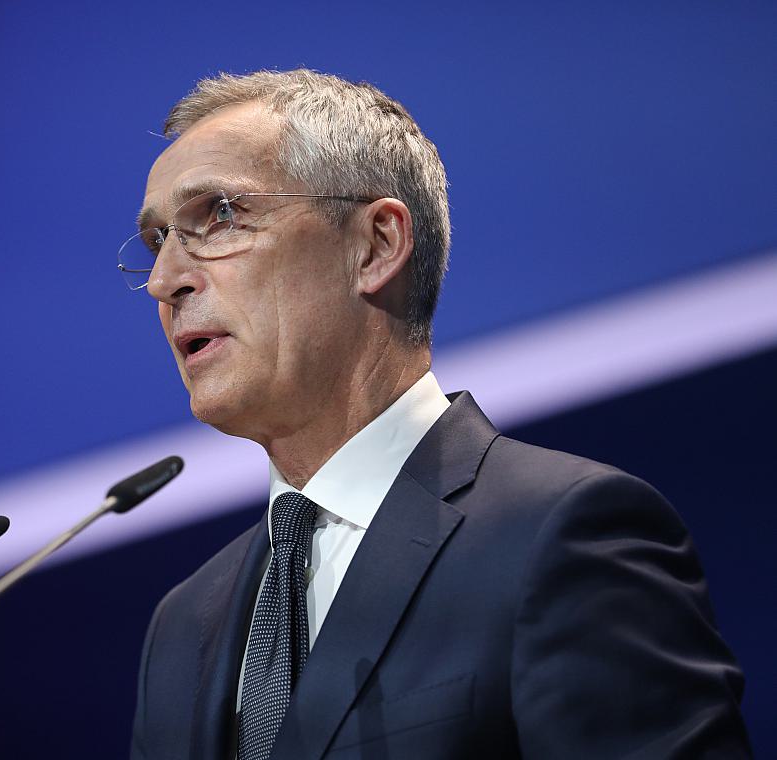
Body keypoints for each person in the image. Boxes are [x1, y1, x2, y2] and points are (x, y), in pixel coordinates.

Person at [121, 69, 750, 759]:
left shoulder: (561, 533)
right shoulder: (182, 626)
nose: (164, 281)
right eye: (157, 242)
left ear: (376, 246)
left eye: (220, 215)